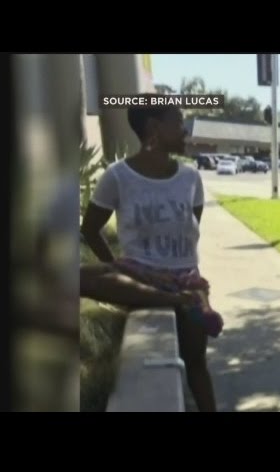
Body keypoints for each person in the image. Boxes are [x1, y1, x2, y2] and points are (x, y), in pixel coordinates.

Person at [80, 95, 220, 412]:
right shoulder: (117, 176)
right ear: (154, 127)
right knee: (80, 276)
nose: (185, 131)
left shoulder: (190, 178)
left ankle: (182, 298)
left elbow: (190, 229)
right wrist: (116, 266)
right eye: (178, 123)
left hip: (187, 278)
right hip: (138, 277)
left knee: (196, 364)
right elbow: (90, 229)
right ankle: (172, 299)